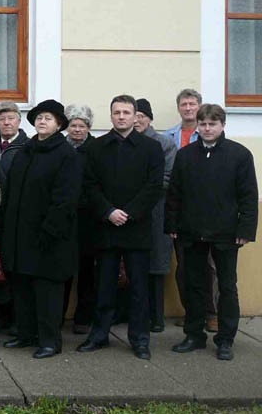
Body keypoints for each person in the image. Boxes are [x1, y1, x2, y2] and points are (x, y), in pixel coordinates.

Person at [166, 104, 258, 361]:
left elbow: (248, 196)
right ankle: (194, 334)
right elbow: (174, 194)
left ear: (222, 125)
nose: (207, 129)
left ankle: (225, 339)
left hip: (226, 233)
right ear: (198, 125)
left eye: (212, 124)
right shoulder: (185, 155)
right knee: (193, 284)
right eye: (203, 124)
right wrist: (172, 225)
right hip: (191, 231)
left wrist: (245, 229)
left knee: (226, 287)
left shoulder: (239, 155)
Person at [76, 95, 164, 360]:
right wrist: (108, 211)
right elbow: (89, 184)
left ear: (135, 116)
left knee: (139, 288)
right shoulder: (97, 147)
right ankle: (99, 335)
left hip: (137, 228)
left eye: (126, 112)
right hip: (106, 226)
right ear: (111, 115)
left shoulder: (151, 148)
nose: (122, 117)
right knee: (103, 286)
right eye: (117, 112)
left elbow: (154, 186)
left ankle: (139, 339)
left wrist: (130, 213)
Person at [1, 100, 81, 359]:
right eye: (39, 118)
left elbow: (66, 199)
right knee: (22, 288)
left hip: (49, 238)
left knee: (47, 292)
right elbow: (12, 191)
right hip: (20, 236)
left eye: (48, 118)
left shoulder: (66, 155)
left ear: (59, 125)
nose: (42, 121)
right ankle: (26, 334)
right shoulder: (26, 151)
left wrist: (49, 230)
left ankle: (49, 341)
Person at [165, 89, 219, 332]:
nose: (188, 108)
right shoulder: (169, 137)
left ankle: (212, 313)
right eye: (184, 104)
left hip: (207, 211)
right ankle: (192, 312)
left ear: (199, 107)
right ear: (179, 108)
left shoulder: (210, 135)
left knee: (209, 267)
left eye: (192, 104)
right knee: (184, 266)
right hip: (180, 210)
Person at [0, 101, 29, 333]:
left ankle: (18, 316)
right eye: (2, 119)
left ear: (19, 120)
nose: (7, 122)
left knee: (17, 267)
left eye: (11, 118)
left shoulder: (28, 147)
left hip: (20, 217)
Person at [134, 98, 177, 332]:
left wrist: (138, 192)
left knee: (155, 266)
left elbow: (168, 177)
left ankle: (156, 317)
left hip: (157, 211)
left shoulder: (164, 144)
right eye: (134, 115)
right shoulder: (122, 142)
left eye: (141, 116)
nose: (136, 120)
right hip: (127, 213)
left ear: (150, 119)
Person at [61, 104, 97, 335]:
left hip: (89, 220)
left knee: (87, 272)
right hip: (64, 218)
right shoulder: (60, 147)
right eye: (73, 125)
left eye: (81, 126)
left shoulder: (96, 149)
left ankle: (83, 318)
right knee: (62, 270)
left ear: (88, 127)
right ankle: (58, 315)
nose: (77, 129)